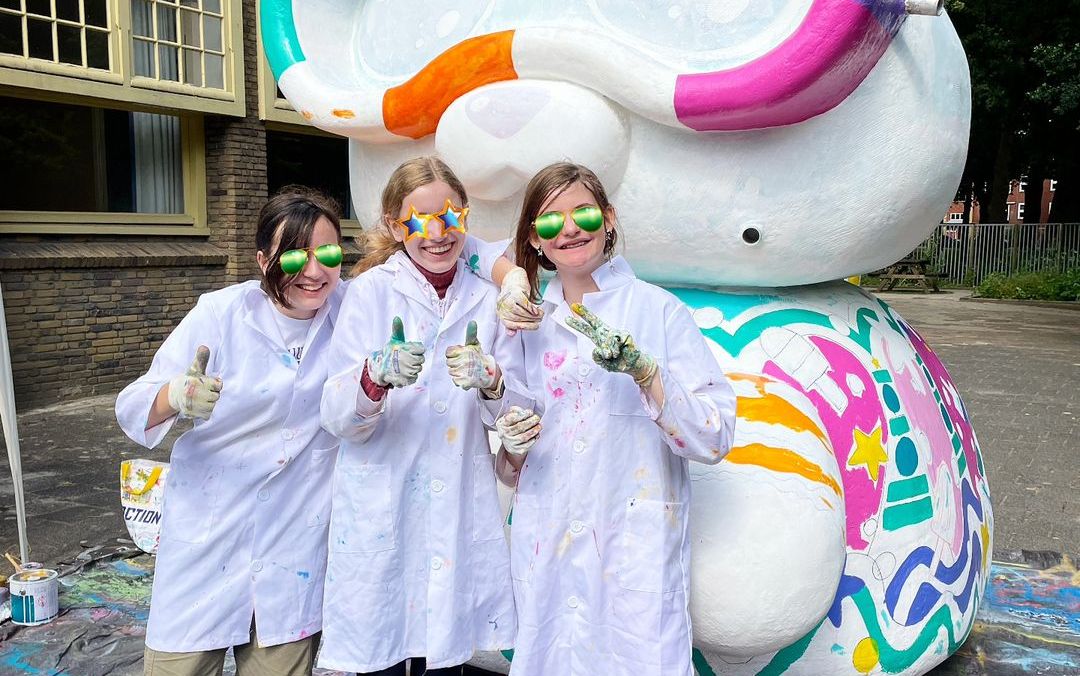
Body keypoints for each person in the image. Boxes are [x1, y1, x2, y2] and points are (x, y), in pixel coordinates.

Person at [494, 162, 738, 676]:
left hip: (633, 549)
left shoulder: (659, 312)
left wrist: (648, 374)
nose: (569, 229)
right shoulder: (528, 324)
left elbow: (714, 437)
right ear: (535, 239)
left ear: (608, 218)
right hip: (548, 542)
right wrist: (497, 405)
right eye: (550, 220)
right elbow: (512, 455)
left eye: (583, 213)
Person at [116, 188, 347, 675]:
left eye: (327, 253)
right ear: (263, 260)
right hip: (209, 537)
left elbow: (445, 250)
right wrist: (176, 396)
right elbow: (133, 406)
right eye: (293, 256)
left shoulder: (352, 311)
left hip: (294, 547)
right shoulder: (221, 314)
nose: (314, 271)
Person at [318, 157, 520, 676]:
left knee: (445, 660)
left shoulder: (486, 298)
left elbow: (515, 415)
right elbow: (334, 414)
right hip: (382, 505)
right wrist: (373, 377)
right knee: (381, 655)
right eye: (420, 219)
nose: (438, 233)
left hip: (456, 506)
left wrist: (492, 381)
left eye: (451, 216)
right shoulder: (370, 293)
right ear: (393, 224)